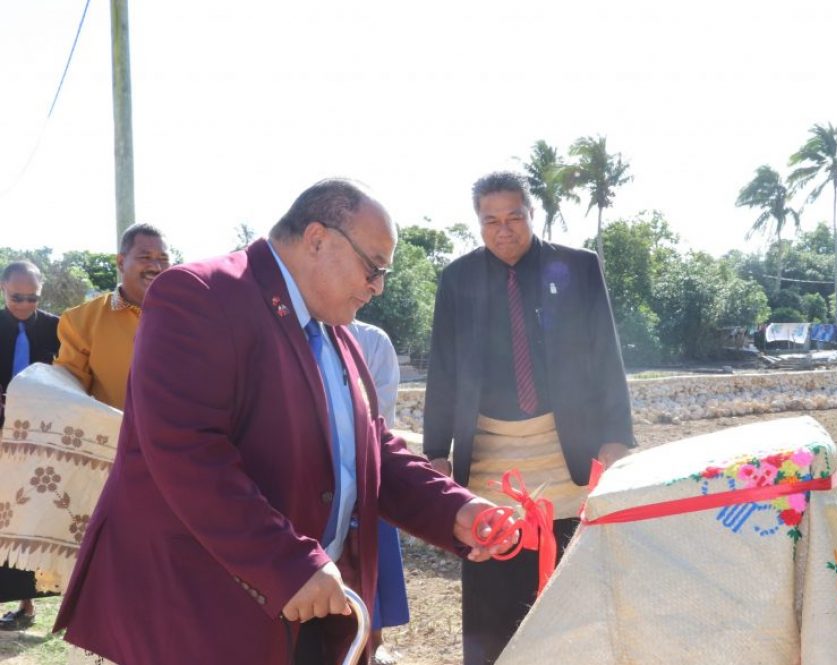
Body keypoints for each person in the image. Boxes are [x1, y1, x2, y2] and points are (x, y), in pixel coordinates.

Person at [54, 179, 510, 665]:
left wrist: (454, 510)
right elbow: (188, 454)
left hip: (306, 601)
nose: (377, 285)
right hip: (206, 611)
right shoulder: (199, 295)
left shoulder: (337, 332)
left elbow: (369, 449)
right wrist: (288, 562)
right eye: (374, 267)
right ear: (318, 239)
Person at [423, 171, 636, 665]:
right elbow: (444, 367)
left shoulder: (577, 267)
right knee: (493, 586)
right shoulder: (458, 279)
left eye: (514, 216)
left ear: (532, 214)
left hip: (569, 453)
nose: (504, 230)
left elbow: (606, 351)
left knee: (571, 583)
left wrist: (617, 435)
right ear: (478, 224)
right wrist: (435, 452)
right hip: (489, 456)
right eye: (490, 220)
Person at [0, 260, 61, 631]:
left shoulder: (59, 329)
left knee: (31, 518)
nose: (24, 304)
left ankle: (28, 604)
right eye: (15, 297)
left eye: (32, 297)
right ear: (3, 289)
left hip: (43, 438)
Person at [55, 223, 171, 409]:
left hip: (179, 435)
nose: (156, 267)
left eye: (163, 258)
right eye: (145, 257)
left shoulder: (189, 315)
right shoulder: (81, 320)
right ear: (120, 263)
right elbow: (67, 390)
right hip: (110, 436)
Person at [347, 320, 408, 665]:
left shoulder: (373, 340)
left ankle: (376, 642)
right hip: (318, 474)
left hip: (366, 466)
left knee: (374, 558)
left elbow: (380, 413)